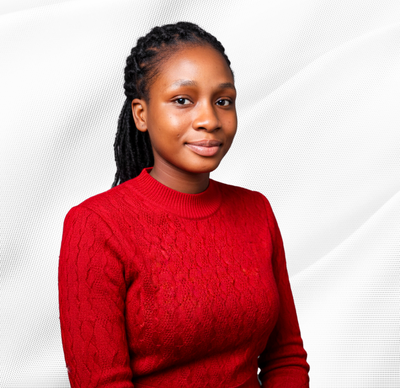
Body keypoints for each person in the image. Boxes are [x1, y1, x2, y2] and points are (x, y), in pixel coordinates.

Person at [58, 21, 310, 388]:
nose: (209, 120)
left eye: (223, 101)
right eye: (182, 100)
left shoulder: (256, 211)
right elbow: (101, 383)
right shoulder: (95, 225)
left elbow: (285, 357)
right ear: (141, 114)